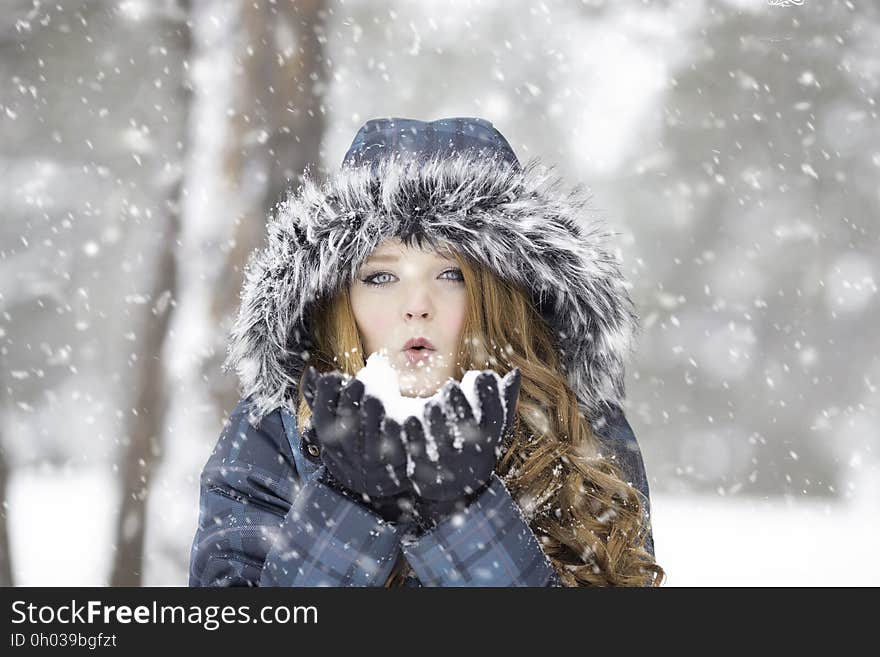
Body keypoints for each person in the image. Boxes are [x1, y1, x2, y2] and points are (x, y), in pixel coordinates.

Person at [188, 116, 666, 587]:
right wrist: (350, 506)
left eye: (452, 274)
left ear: (501, 297)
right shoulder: (274, 431)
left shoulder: (579, 429)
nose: (416, 307)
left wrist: (465, 516)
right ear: (338, 299)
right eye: (381, 276)